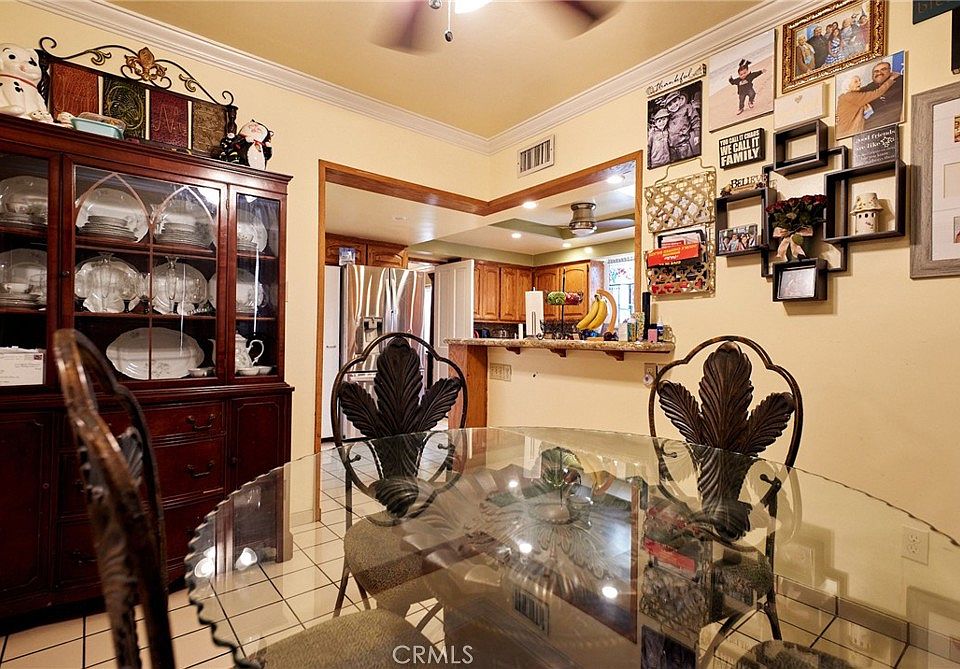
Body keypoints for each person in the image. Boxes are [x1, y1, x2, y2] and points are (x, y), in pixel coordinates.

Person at [835, 71, 900, 137]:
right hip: (849, 133)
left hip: (844, 133)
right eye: (856, 82)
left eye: (859, 80)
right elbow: (877, 93)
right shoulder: (851, 96)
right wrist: (891, 79)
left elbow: (866, 88)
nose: (860, 83)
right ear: (848, 85)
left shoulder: (845, 96)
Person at [857, 60, 904, 130]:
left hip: (897, 126)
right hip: (874, 127)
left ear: (890, 71)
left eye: (883, 69)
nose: (879, 73)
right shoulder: (870, 87)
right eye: (876, 71)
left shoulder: (901, 80)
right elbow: (854, 94)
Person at [663, 90, 701, 161]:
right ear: (667, 107)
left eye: (675, 101)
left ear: (680, 99)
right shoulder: (668, 116)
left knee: (688, 163)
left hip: (683, 146)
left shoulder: (687, 108)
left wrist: (697, 134)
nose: (673, 105)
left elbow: (695, 120)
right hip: (672, 149)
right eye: (670, 105)